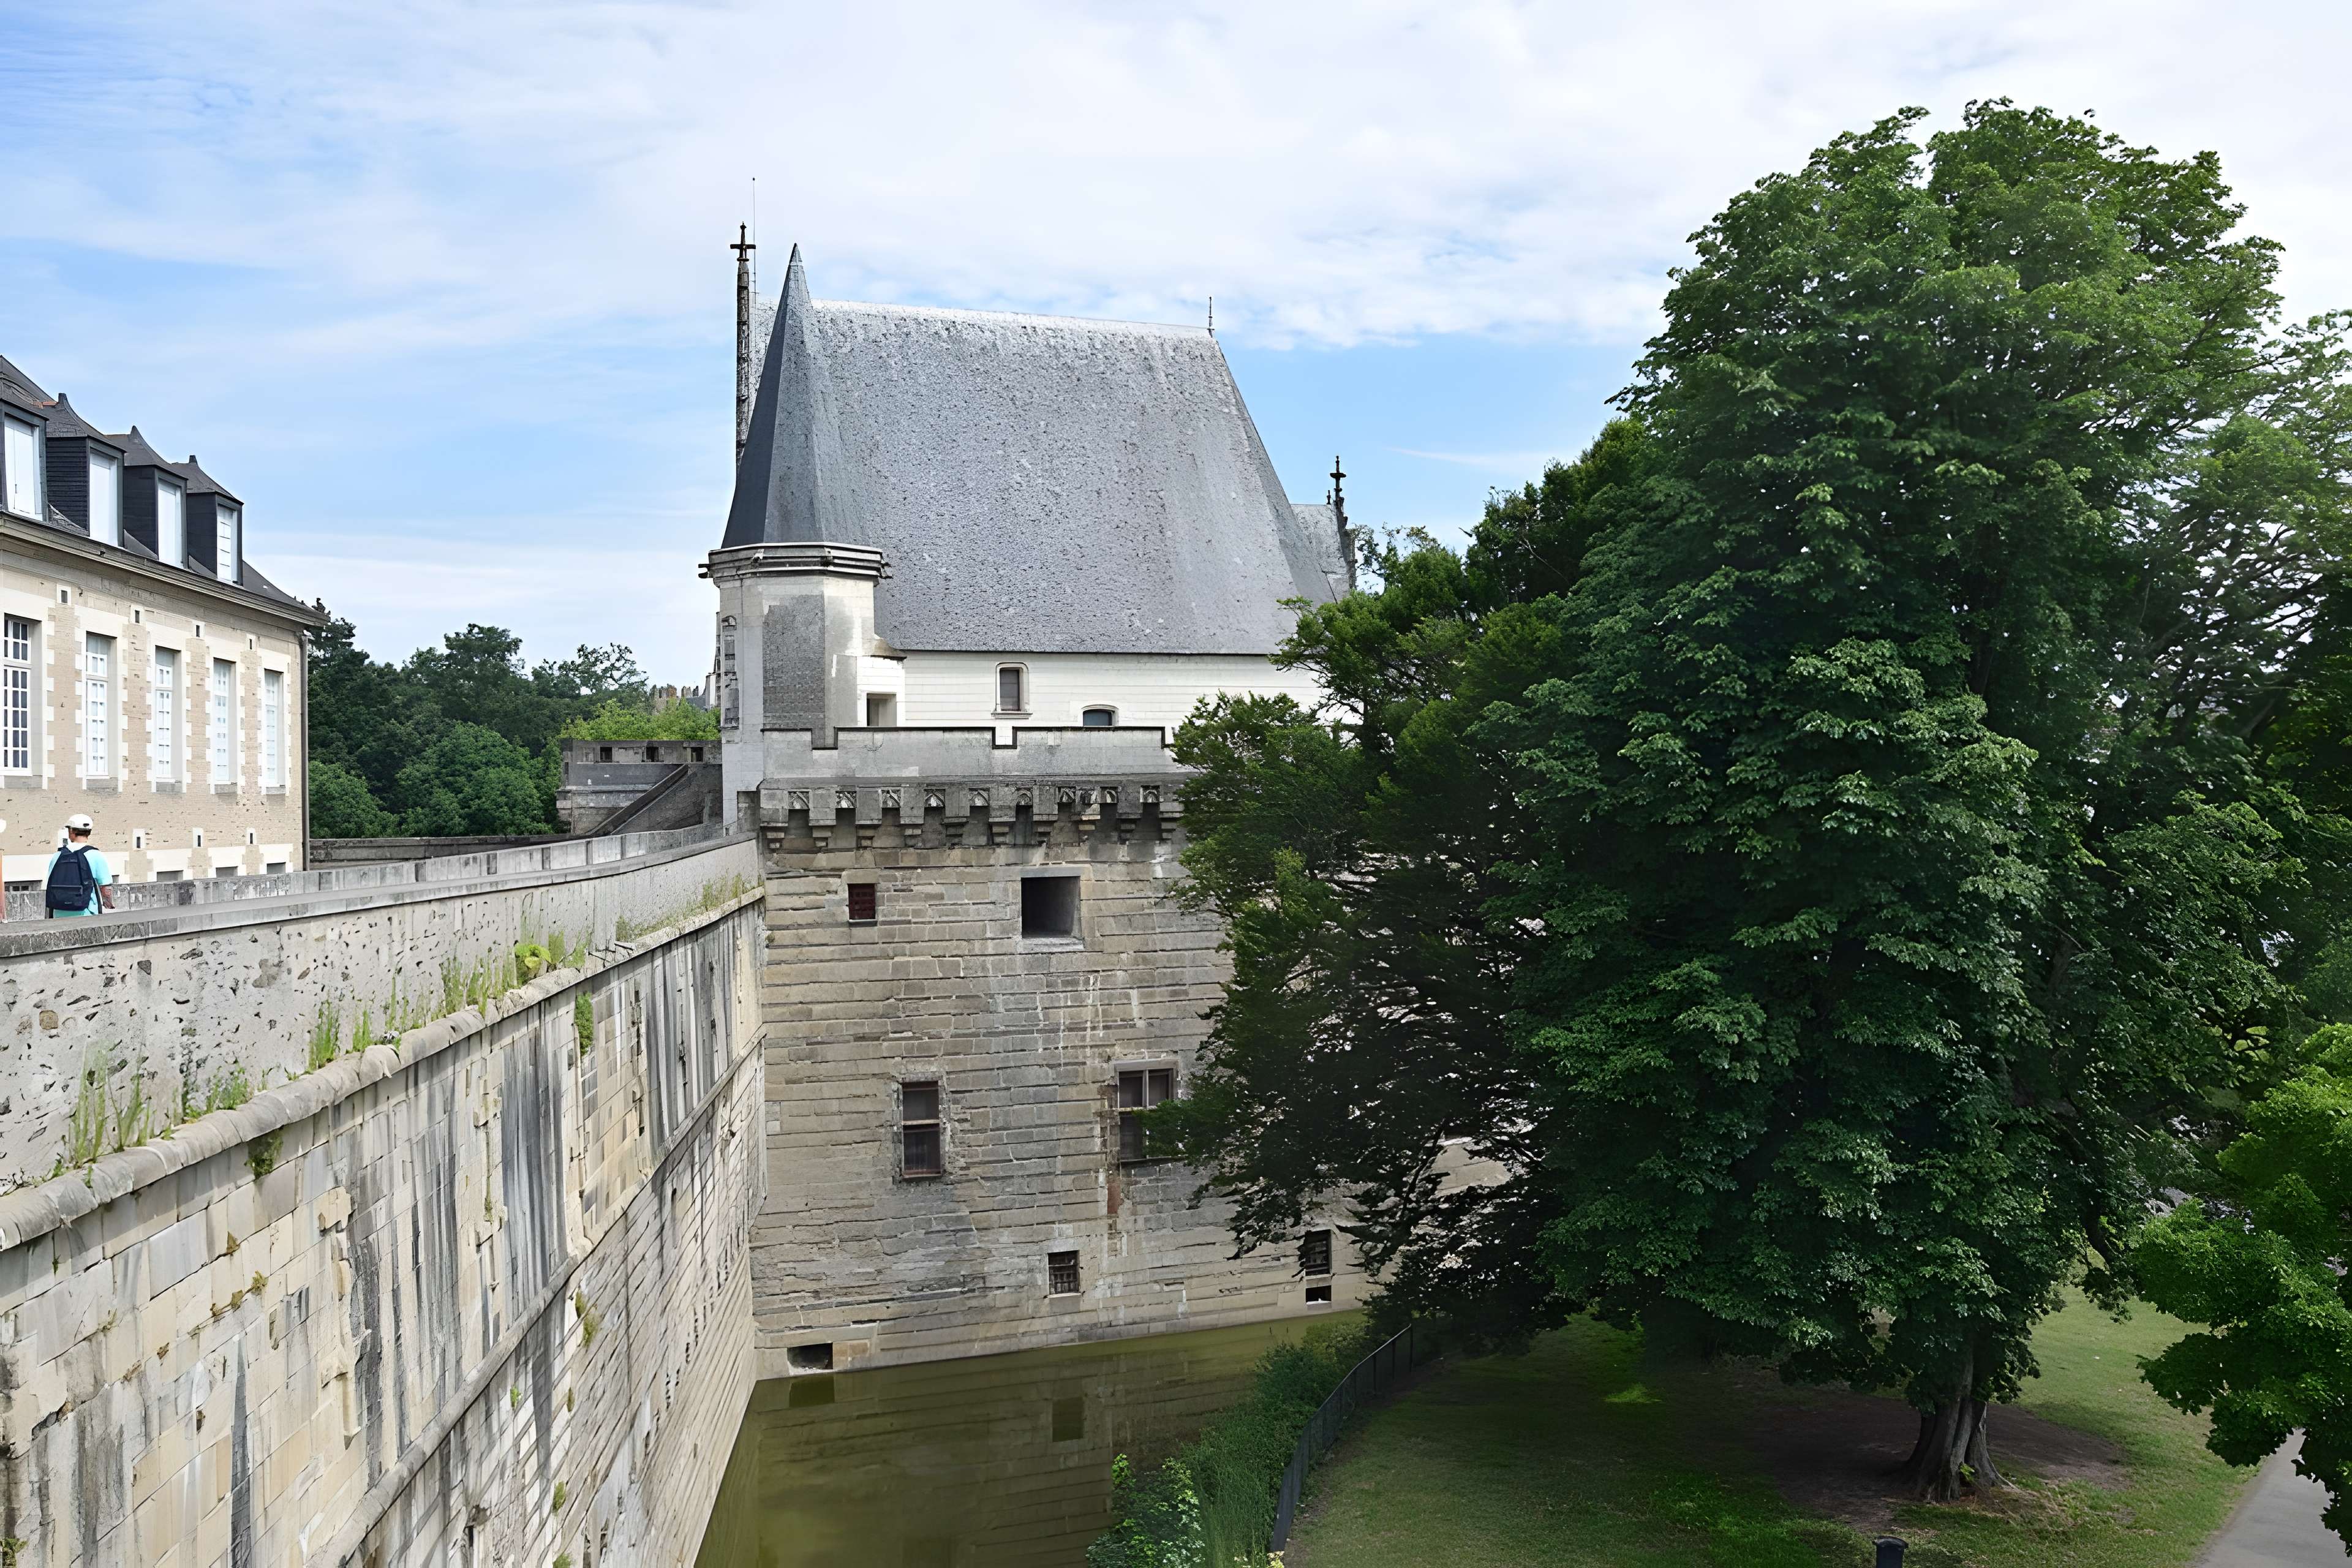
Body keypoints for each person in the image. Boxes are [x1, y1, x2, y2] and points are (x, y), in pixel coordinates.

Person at [44, 813, 116, 918]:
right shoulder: (96, 855)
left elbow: (50, 886)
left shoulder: (58, 856)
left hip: (58, 914)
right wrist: (108, 905)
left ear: (71, 831)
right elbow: (106, 888)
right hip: (86, 914)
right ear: (89, 833)